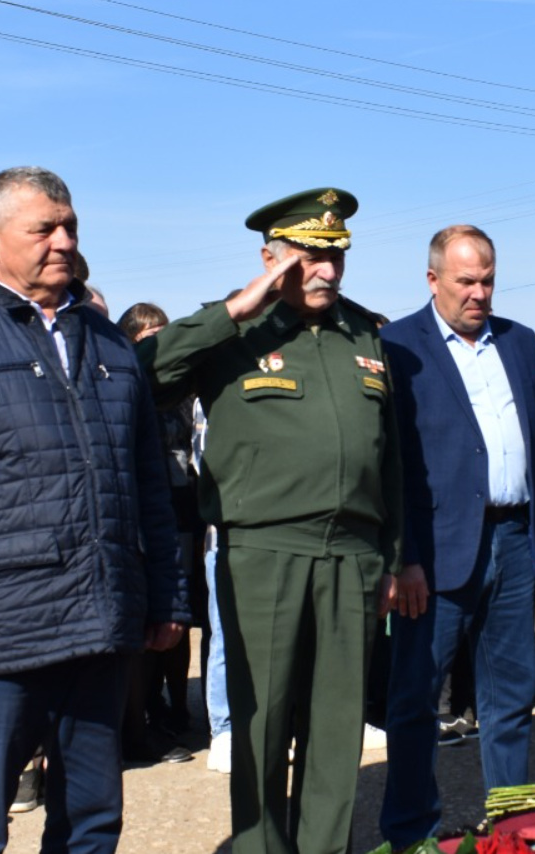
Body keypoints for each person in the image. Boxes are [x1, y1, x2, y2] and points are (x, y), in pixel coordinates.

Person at [0, 166, 188, 854]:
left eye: (70, 227)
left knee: (91, 820)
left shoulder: (110, 343)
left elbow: (148, 484)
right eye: (44, 229)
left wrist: (166, 594)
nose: (63, 241)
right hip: (2, 637)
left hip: (102, 621)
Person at [140, 187, 401, 854]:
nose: (326, 270)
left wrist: (394, 557)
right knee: (262, 718)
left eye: (336, 256)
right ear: (269, 259)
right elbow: (143, 376)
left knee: (337, 720)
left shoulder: (364, 333)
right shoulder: (234, 331)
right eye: (309, 256)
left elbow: (390, 455)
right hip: (264, 550)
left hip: (353, 552)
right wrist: (236, 308)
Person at [377, 225, 535, 846]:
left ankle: (512, 824)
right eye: (466, 281)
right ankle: (412, 832)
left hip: (516, 541)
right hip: (434, 556)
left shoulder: (519, 343)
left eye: (488, 279)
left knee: (512, 693)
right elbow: (392, 465)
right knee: (415, 701)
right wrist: (404, 556)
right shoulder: (396, 346)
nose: (479, 292)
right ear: (433, 279)